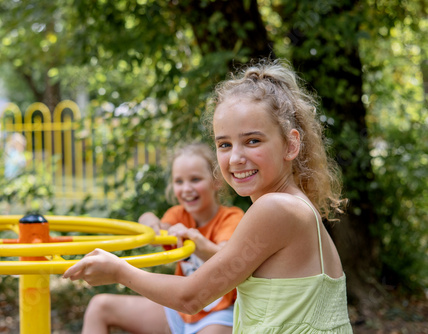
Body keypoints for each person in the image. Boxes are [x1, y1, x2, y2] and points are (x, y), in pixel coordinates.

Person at [64, 59, 353, 333]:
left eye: (253, 141)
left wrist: (118, 271)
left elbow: (191, 298)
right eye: (224, 144)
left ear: (291, 145)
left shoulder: (277, 208)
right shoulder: (295, 205)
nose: (236, 158)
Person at [81, 142, 244, 334]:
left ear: (216, 182)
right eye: (179, 181)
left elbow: (226, 260)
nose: (186, 188)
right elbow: (159, 227)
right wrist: (148, 220)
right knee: (100, 306)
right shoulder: (178, 215)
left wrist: (196, 242)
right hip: (179, 311)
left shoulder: (231, 218)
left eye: (195, 179)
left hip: (218, 313)